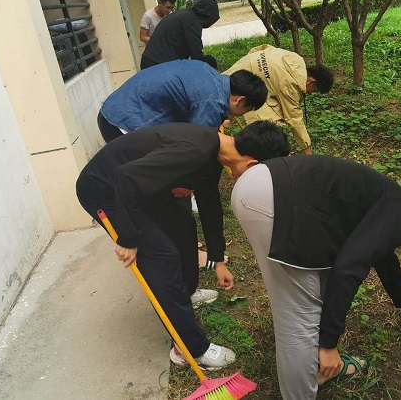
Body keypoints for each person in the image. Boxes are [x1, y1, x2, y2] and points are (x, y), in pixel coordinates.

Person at [231, 155, 401, 399]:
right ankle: (306, 384)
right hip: (275, 198)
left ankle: (315, 369)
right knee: (300, 315)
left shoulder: (398, 204)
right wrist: (328, 344)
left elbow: (383, 257)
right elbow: (348, 269)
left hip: (263, 185)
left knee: (317, 288)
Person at [76, 121, 290, 370]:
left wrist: (217, 260)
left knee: (184, 226)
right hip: (107, 191)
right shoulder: (195, 150)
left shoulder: (215, 150)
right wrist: (129, 239)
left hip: (136, 188)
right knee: (162, 258)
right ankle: (190, 349)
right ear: (252, 164)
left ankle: (184, 295)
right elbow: (126, 177)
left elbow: (209, 204)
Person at [97, 59, 267, 143]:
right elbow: (196, 144)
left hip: (112, 108)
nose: (241, 115)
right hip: (122, 125)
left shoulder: (206, 70)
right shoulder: (212, 101)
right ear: (240, 101)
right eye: (246, 110)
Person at [223, 44, 334, 154]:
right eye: (314, 90)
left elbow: (264, 48)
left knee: (224, 100)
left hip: (249, 62)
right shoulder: (290, 85)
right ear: (311, 81)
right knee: (265, 128)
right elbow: (294, 118)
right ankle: (241, 151)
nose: (311, 93)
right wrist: (307, 150)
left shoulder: (296, 59)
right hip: (247, 78)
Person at [140, 0, 219, 70]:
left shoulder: (186, 15)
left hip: (152, 61)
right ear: (207, 14)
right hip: (156, 65)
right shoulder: (192, 21)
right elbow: (197, 55)